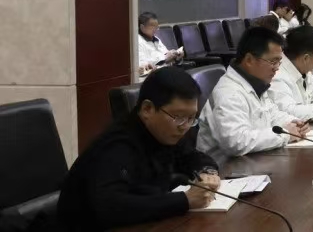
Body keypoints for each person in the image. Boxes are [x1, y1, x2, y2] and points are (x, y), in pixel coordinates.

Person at [59, 68, 219, 231]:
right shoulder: (117, 146)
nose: (184, 126)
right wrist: (185, 200)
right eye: (178, 117)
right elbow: (110, 206)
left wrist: (208, 172)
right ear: (147, 109)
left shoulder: (165, 132)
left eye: (191, 118)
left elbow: (191, 156)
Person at [197, 27, 308, 159]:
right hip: (225, 167)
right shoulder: (229, 92)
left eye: (279, 62)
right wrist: (285, 134)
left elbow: (271, 114)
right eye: (273, 61)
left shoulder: (255, 82)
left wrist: (292, 122)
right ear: (249, 60)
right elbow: (236, 142)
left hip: (252, 159)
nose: (277, 68)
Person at [136, 12, 183, 79]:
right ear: (142, 27)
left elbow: (167, 57)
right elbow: (142, 67)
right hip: (152, 78)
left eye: (157, 26)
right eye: (153, 26)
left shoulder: (156, 39)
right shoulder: (137, 42)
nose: (156, 29)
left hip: (167, 74)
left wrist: (176, 58)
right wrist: (165, 58)